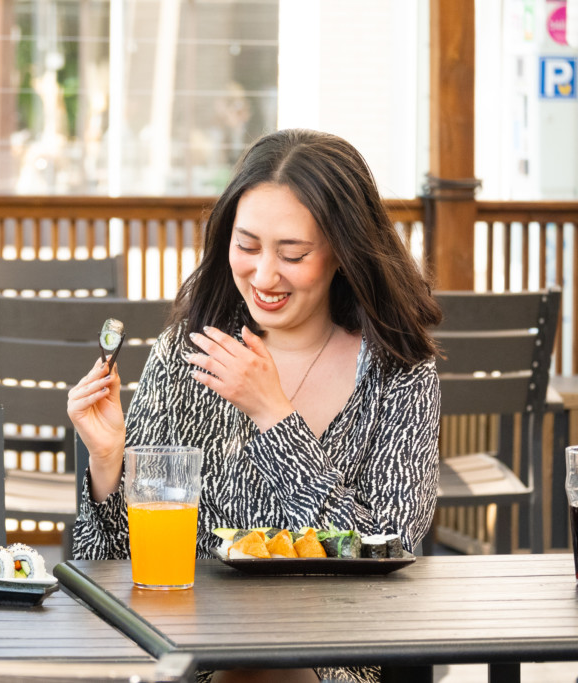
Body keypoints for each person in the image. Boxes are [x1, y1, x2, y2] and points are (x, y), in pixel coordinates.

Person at [66, 129, 442, 683]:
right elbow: (114, 564)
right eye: (247, 246)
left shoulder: (398, 375)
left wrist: (276, 419)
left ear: (343, 251)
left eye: (293, 254)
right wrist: (107, 464)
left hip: (329, 655)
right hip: (186, 650)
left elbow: (384, 557)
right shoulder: (185, 354)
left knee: (264, 663)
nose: (265, 276)